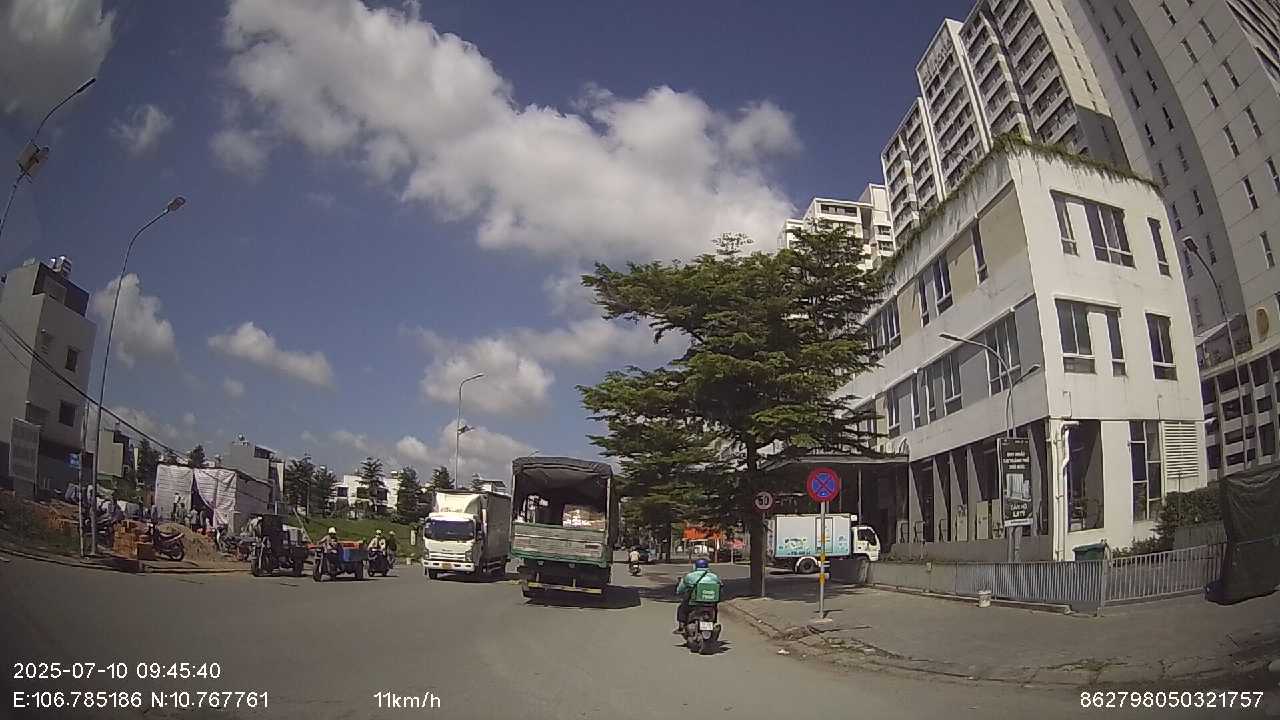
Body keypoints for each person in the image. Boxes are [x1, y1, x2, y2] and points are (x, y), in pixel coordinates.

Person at [674, 558, 721, 634]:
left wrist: (679, 591)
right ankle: (713, 622)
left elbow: (681, 589)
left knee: (681, 608)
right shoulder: (714, 577)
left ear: (695, 566)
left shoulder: (690, 576)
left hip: (694, 603)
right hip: (711, 603)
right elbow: (720, 586)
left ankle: (681, 627)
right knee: (715, 609)